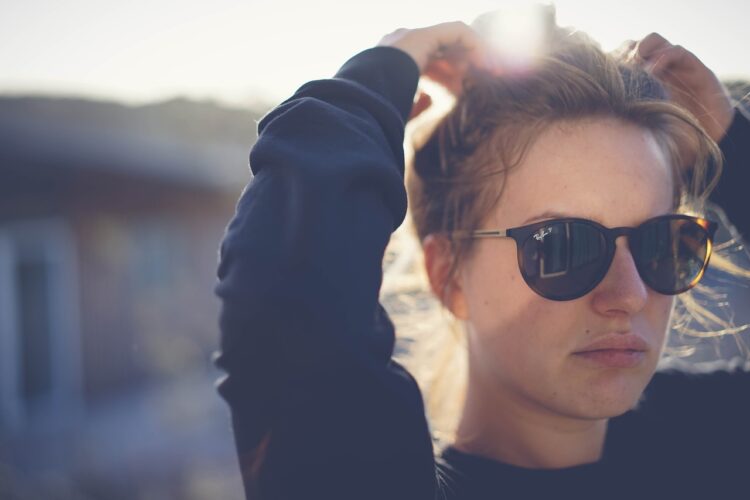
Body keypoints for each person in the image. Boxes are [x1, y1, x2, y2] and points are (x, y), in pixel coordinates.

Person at [212, 12, 750, 500]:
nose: (629, 294)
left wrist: (732, 141)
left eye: (662, 243)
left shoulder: (715, 443)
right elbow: (287, 317)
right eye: (562, 245)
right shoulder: (380, 483)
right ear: (448, 274)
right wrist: (374, 80)